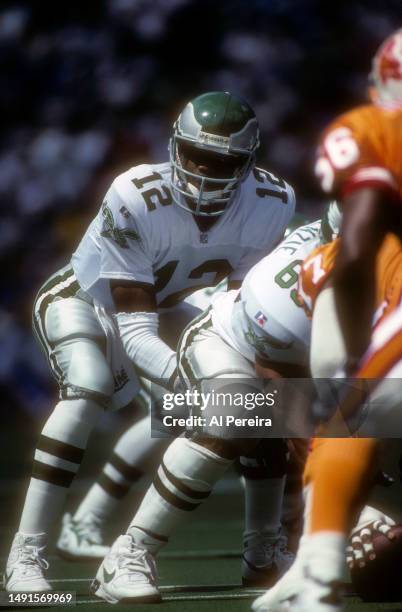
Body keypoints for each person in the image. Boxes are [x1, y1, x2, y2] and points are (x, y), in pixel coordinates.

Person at [4, 91, 296, 592]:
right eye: (195, 155)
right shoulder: (134, 192)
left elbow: (240, 310)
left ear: (248, 161)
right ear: (173, 146)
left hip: (165, 308)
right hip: (86, 300)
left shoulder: (272, 201)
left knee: (252, 397)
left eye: (221, 161)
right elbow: (134, 331)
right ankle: (25, 555)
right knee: (89, 388)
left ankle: (263, 549)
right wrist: (200, 387)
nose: (204, 171)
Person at [89, 208, 342, 604]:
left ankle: (263, 555)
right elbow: (282, 390)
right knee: (240, 414)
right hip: (224, 341)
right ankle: (129, 553)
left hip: (293, 358)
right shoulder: (292, 290)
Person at [252, 28, 402, 612]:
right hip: (240, 342)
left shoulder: (370, 137)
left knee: (347, 417)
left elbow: (360, 244)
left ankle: (317, 577)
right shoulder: (297, 265)